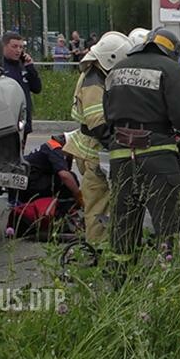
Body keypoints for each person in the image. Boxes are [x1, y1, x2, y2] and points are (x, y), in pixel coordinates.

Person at [103, 27, 180, 284]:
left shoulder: (117, 70)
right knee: (166, 226)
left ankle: (120, 284)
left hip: (121, 159)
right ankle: (165, 284)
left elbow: (107, 115)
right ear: (171, 51)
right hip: (158, 159)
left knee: (123, 225)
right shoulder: (172, 70)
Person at [63, 31, 133, 245]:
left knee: (103, 203)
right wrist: (121, 147)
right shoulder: (94, 82)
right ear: (111, 58)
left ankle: (103, 245)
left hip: (93, 151)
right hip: (93, 153)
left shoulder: (98, 75)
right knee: (97, 206)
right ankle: (97, 252)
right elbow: (99, 124)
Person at [0, 31, 42, 218]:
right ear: (4, 46)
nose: (18, 50)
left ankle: (13, 198)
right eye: (14, 46)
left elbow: (37, 88)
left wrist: (30, 67)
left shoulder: (23, 65)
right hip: (2, 123)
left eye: (21, 47)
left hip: (22, 122)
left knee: (17, 161)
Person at [18, 134, 83, 205]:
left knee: (70, 177)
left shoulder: (52, 144)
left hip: (28, 178)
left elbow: (67, 168)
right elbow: (65, 175)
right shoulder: (56, 149)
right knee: (71, 180)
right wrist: (78, 194)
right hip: (31, 185)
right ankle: (61, 205)